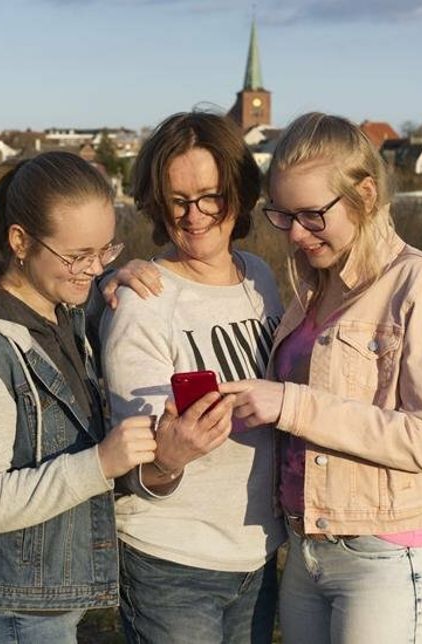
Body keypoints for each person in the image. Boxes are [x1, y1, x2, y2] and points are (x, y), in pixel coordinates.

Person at [0, 151, 230, 643]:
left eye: (104, 251)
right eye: (77, 256)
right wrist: (99, 463)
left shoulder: (62, 318)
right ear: (20, 242)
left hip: (39, 611)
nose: (93, 270)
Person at [220, 112, 422, 643]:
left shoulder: (419, 285)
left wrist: (291, 404)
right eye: (281, 216)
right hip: (307, 550)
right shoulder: (310, 287)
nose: (297, 235)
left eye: (312, 215)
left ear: (366, 194)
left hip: (389, 553)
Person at [98, 111, 286, 643]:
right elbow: (132, 466)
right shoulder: (144, 297)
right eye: (178, 200)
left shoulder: (262, 279)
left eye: (211, 195)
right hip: (171, 561)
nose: (195, 215)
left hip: (257, 551)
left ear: (240, 193)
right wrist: (169, 457)